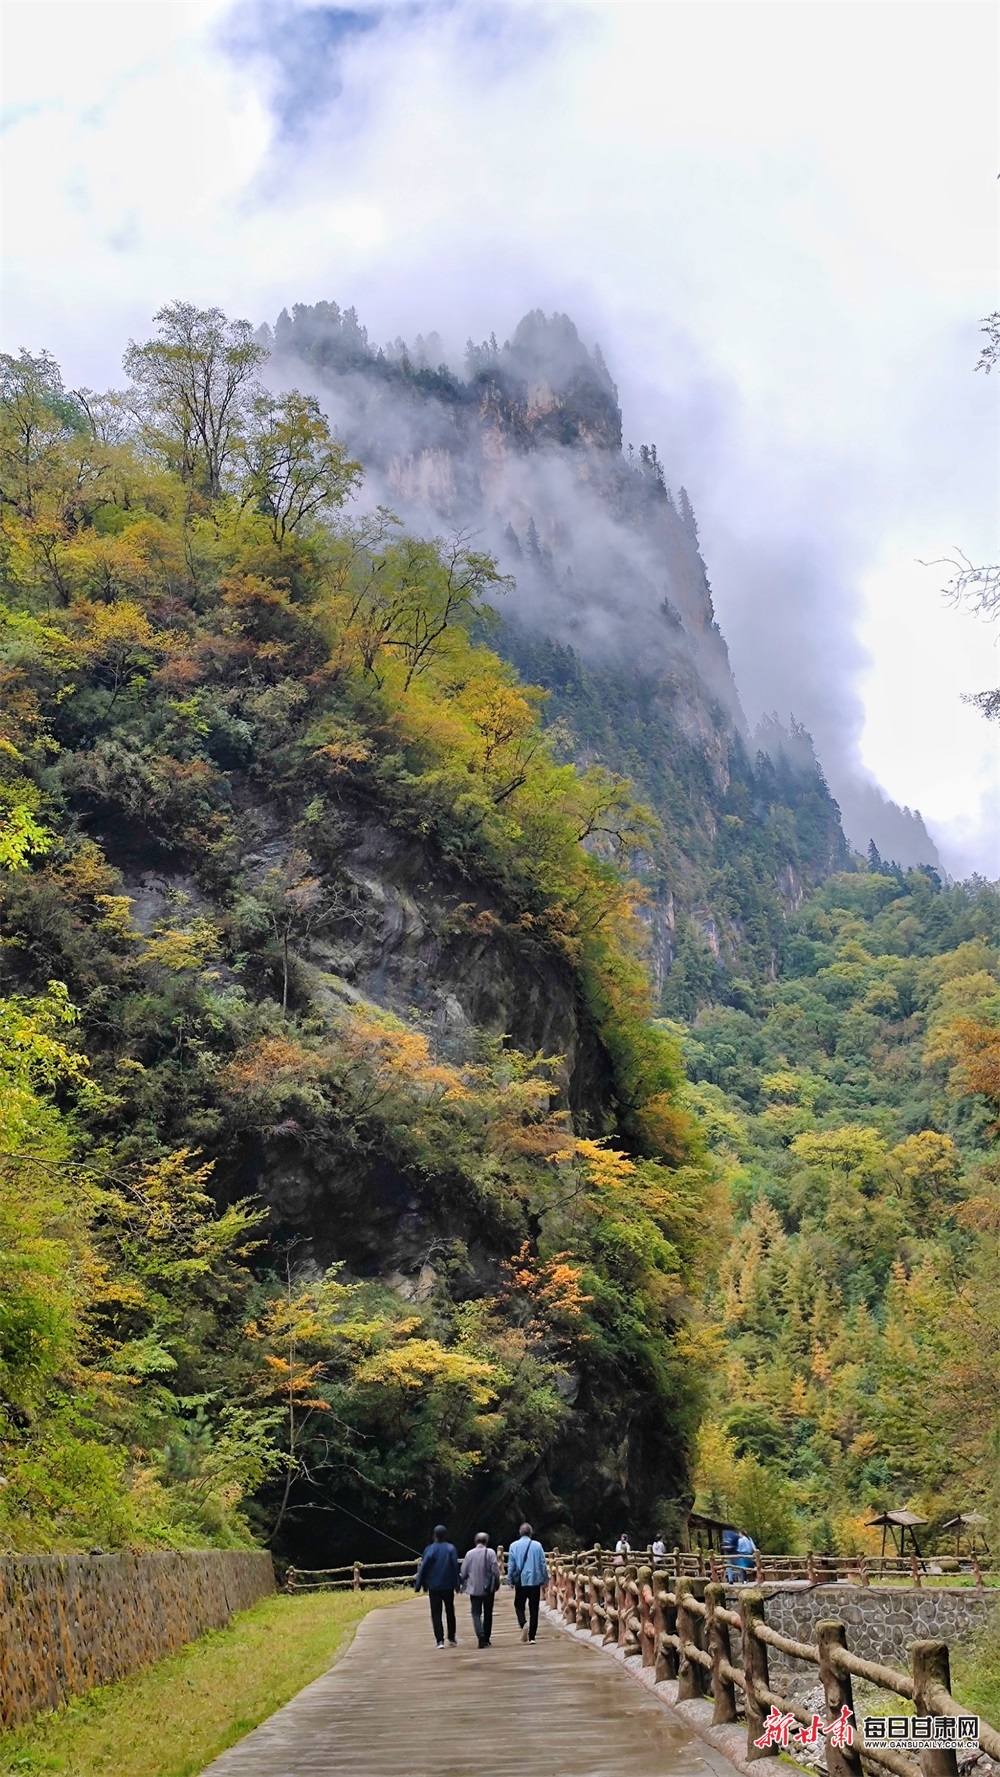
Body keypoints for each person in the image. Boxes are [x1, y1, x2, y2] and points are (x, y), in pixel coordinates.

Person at [415, 1524, 461, 1647]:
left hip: (433, 1586)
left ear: (434, 1536)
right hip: (448, 1586)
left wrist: (419, 1585)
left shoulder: (429, 1549)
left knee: (436, 1613)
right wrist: (457, 1584)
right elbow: (455, 1567)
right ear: (446, 1535)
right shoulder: (451, 1548)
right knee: (450, 1610)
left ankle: (439, 1640)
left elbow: (423, 1568)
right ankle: (451, 1637)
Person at [506, 1521, 549, 1643]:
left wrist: (510, 1579)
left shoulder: (513, 1546)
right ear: (531, 1533)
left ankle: (523, 1623)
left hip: (521, 1582)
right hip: (535, 1581)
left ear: (520, 1533)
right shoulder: (537, 1546)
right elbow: (542, 1563)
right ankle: (532, 1637)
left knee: (519, 1605)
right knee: (534, 1609)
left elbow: (511, 1565)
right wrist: (545, 1579)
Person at [460, 1531, 500, 1648]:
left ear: (475, 1541)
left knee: (476, 1613)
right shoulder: (491, 1553)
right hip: (488, 1589)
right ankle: (487, 1638)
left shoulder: (469, 1554)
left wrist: (464, 1582)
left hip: (474, 1588)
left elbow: (463, 1572)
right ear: (486, 1541)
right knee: (488, 1613)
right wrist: (496, 1584)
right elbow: (495, 1571)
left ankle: (480, 1635)